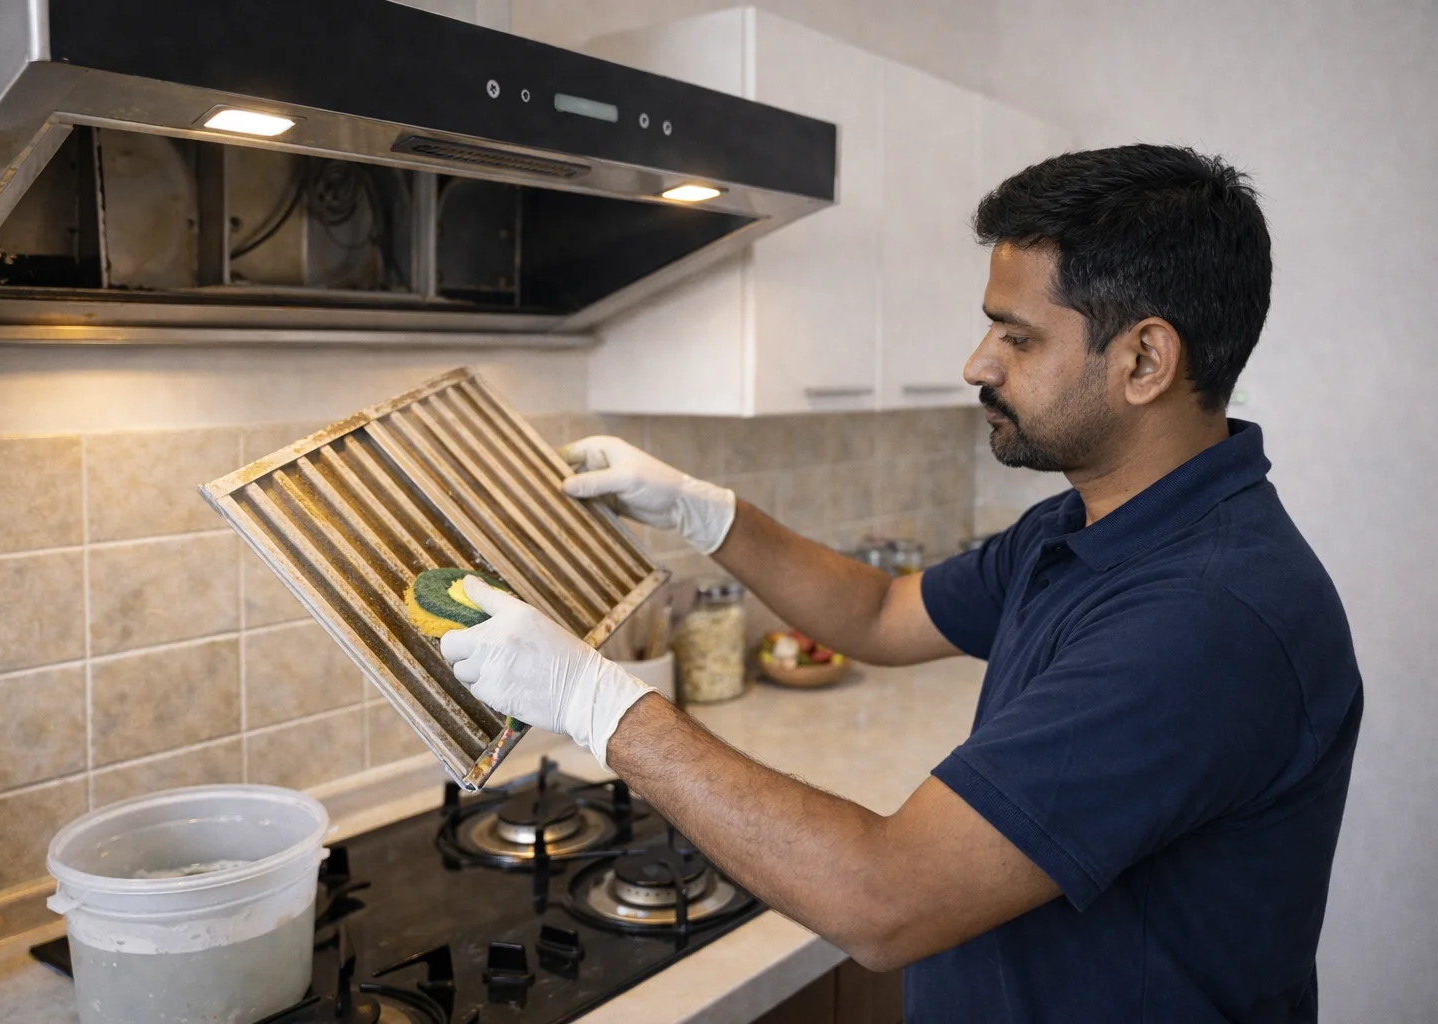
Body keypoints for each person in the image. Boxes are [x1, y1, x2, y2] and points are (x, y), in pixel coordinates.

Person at [439, 144, 1363, 1023]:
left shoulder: (1205, 619)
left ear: (1145, 361)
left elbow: (882, 900)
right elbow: (882, 613)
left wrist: (598, 703)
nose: (978, 362)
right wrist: (706, 513)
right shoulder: (1089, 524)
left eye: (1019, 336)